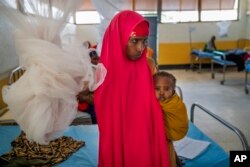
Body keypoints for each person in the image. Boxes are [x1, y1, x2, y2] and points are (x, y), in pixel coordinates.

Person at [94, 10, 170, 167]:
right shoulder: (104, 72)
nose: (141, 48)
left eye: (144, 41)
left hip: (145, 141)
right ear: (118, 38)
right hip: (120, 143)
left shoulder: (148, 66)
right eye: (134, 41)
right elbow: (106, 119)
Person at [153, 71, 189, 167]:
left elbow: (180, 122)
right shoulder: (152, 102)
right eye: (157, 88)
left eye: (166, 89)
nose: (161, 92)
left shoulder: (175, 104)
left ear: (173, 91)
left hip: (167, 140)